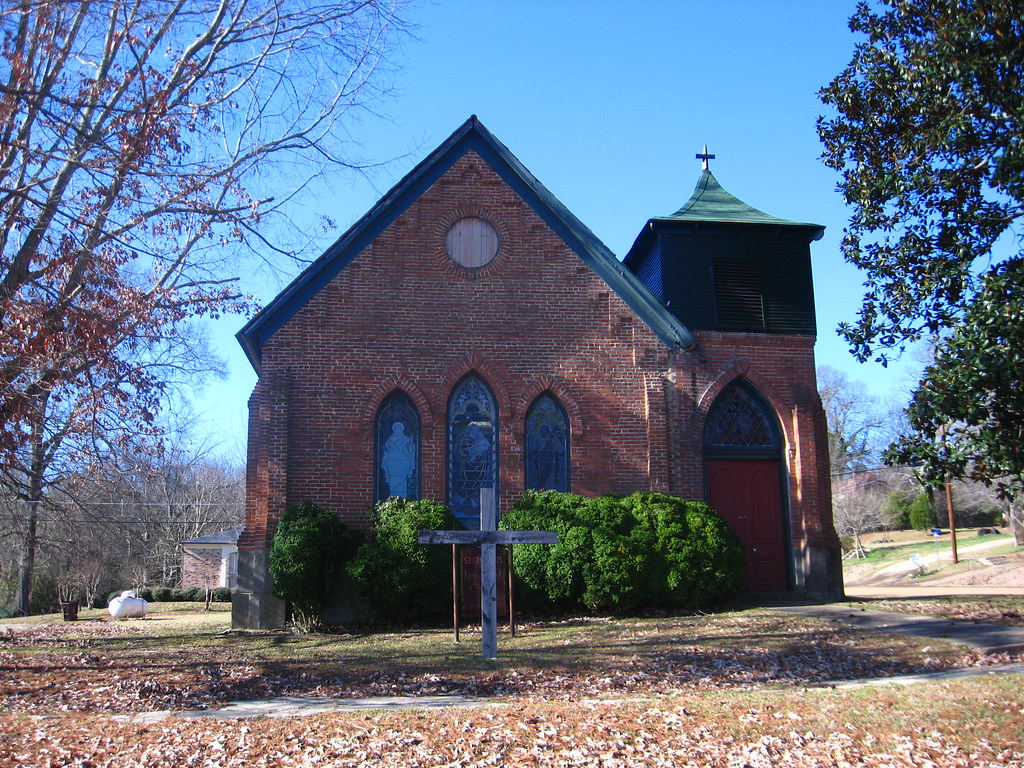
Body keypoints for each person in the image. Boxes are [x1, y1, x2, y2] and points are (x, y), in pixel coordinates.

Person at [381, 421, 415, 498]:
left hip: (403, 463)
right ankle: (393, 499)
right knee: (393, 483)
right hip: (391, 463)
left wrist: (411, 444)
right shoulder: (389, 440)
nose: (398, 429)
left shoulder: (406, 439)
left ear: (402, 429)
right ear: (394, 429)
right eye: (396, 428)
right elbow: (386, 451)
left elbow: (410, 452)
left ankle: (403, 499)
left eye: (399, 428)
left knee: (402, 482)